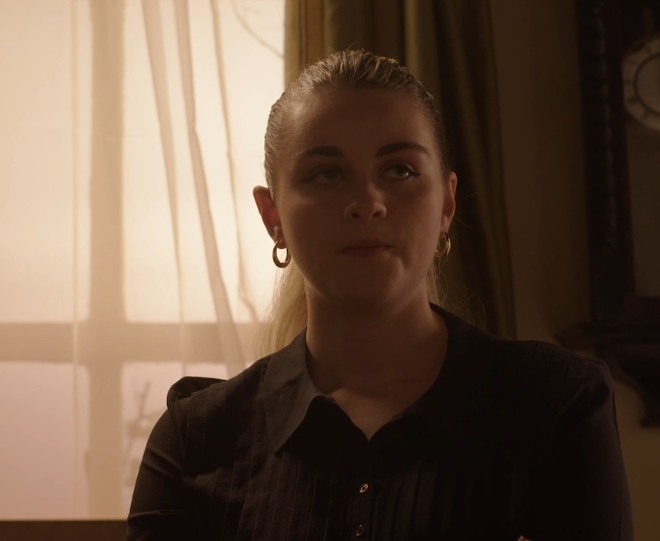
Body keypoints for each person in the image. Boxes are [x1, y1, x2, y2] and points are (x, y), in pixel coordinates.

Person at [127, 49, 633, 541]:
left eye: (400, 171)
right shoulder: (194, 441)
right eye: (327, 174)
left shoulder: (557, 405)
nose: (367, 203)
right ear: (272, 217)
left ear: (446, 205)